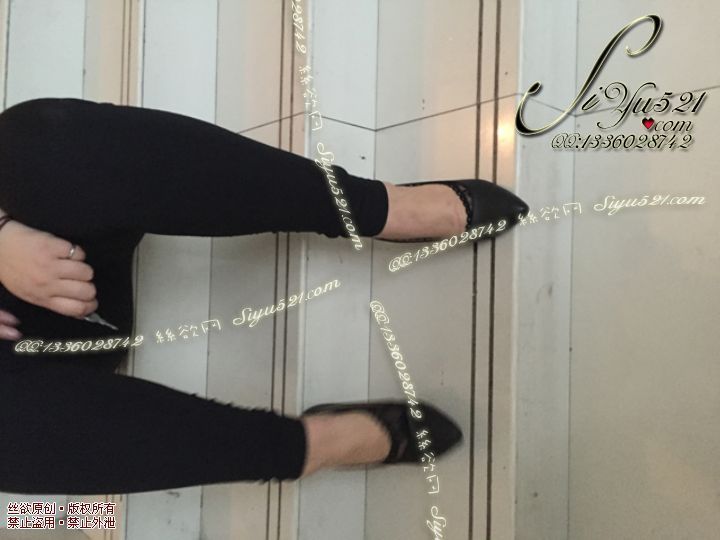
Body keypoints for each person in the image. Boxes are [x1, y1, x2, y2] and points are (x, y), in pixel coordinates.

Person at [0, 97, 528, 494]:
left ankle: (371, 207)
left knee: (31, 142)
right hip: (32, 369)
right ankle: (305, 447)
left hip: (37, 250)